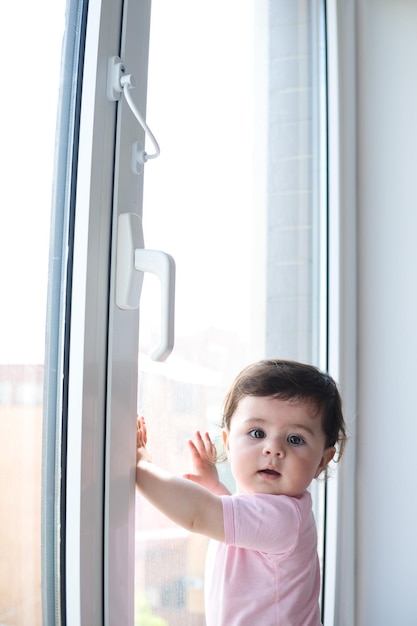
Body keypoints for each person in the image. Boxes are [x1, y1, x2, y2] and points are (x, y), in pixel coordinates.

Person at [136, 359, 347, 626]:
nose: (273, 449)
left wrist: (141, 465)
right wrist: (214, 488)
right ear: (227, 442)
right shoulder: (276, 516)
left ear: (322, 461)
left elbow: (198, 514)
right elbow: (241, 530)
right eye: (257, 432)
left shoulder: (283, 519)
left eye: (295, 439)